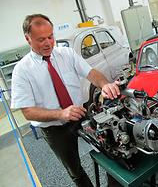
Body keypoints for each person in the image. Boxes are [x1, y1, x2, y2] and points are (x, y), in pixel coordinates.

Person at [11, 14, 121, 187]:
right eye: (41, 39)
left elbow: (91, 73)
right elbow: (28, 112)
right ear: (28, 39)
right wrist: (61, 113)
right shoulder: (21, 71)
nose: (48, 43)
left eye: (50, 36)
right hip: (54, 129)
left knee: (110, 152)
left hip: (82, 113)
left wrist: (104, 84)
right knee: (75, 170)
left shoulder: (67, 54)